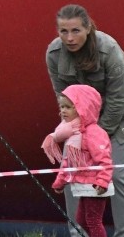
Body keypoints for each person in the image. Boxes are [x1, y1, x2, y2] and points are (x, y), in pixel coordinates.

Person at [46, 4, 124, 237]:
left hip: (123, 116)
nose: (70, 38)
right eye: (63, 31)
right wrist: (78, 134)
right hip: (81, 122)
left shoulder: (109, 49)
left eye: (76, 31)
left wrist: (95, 137)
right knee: (73, 171)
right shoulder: (53, 53)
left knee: (118, 175)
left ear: (88, 28)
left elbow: (119, 98)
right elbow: (64, 98)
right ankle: (78, 233)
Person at [42, 85, 113, 237]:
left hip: (95, 185)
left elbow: (105, 159)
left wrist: (102, 181)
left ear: (83, 108)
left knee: (93, 220)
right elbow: (69, 161)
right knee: (81, 219)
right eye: (61, 107)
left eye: (68, 107)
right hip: (84, 184)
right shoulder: (73, 132)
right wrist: (60, 181)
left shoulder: (94, 133)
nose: (63, 111)